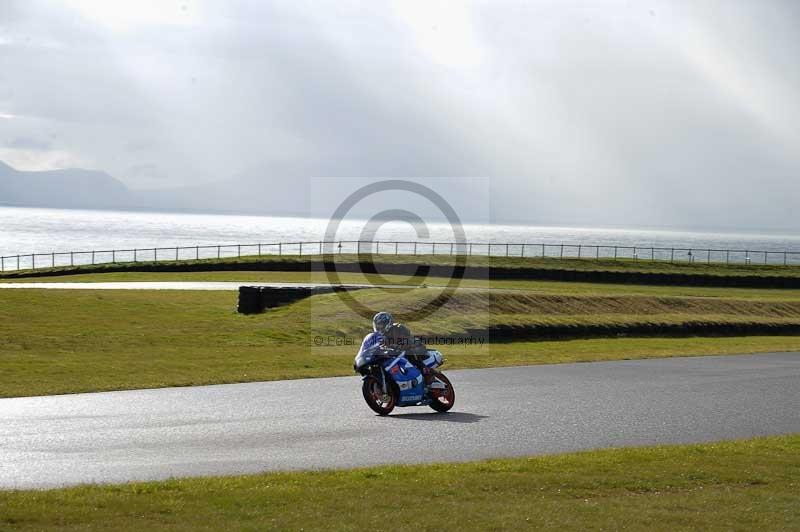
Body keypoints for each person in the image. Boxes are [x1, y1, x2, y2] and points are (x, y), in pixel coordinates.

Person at [371, 311, 433, 384]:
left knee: (409, 353)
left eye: (381, 325)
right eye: (377, 325)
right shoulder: (381, 335)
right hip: (399, 351)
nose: (379, 327)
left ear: (387, 323)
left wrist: (393, 346)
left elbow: (406, 343)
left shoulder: (398, 328)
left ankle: (426, 371)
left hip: (417, 348)